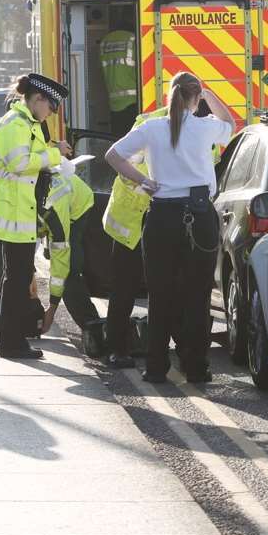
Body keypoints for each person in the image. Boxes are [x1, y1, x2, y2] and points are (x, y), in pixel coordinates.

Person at [104, 72, 233, 383]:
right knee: (197, 294)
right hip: (199, 216)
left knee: (160, 295)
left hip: (162, 217)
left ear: (169, 97)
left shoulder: (152, 128)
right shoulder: (205, 127)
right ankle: (196, 367)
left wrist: (144, 181)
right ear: (195, 98)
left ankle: (156, 367)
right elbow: (230, 122)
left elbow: (113, 156)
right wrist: (209, 93)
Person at [0, 73, 70, 360]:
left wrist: (52, 154)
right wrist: (55, 156)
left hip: (20, 209)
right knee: (16, 280)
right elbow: (19, 163)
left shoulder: (24, 123)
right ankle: (11, 343)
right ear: (38, 99)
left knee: (15, 279)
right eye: (51, 108)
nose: (51, 114)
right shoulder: (17, 124)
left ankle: (10, 340)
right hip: (14, 211)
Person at [101, 106, 167, 370]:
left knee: (165, 287)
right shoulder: (149, 125)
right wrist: (147, 183)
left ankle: (160, 348)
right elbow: (122, 165)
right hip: (133, 217)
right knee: (125, 287)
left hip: (163, 215)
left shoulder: (195, 128)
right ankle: (117, 348)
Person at [37, 169, 101, 346]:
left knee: (69, 274)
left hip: (78, 208)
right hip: (53, 211)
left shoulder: (54, 211)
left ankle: (92, 326)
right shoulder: (21, 200)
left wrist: (52, 309)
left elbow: (61, 265)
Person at [99, 6, 139, 136]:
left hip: (114, 104)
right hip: (134, 102)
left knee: (119, 142)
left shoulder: (105, 41)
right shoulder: (134, 39)